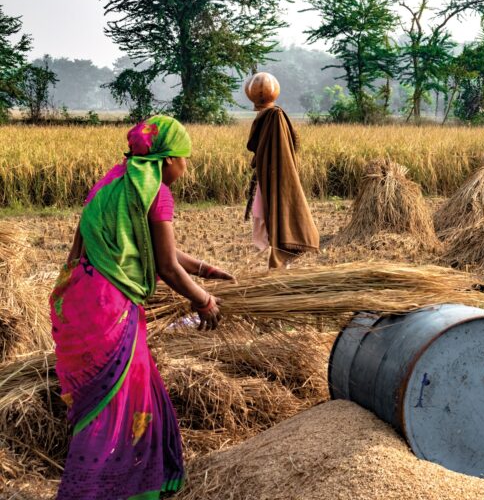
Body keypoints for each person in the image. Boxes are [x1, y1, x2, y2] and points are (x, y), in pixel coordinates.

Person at [49, 115, 234, 500]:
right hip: (111, 305)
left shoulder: (117, 181)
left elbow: (154, 246)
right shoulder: (157, 193)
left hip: (80, 298)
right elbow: (165, 266)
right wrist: (204, 301)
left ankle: (136, 480)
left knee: (113, 397)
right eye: (184, 158)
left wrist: (203, 268)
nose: (187, 166)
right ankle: (107, 490)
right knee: (118, 404)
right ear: (167, 160)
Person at [244, 73, 319, 269]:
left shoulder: (274, 118)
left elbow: (279, 156)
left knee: (277, 216)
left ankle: (280, 263)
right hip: (267, 177)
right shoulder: (270, 118)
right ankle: (279, 266)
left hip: (275, 177)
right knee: (269, 220)